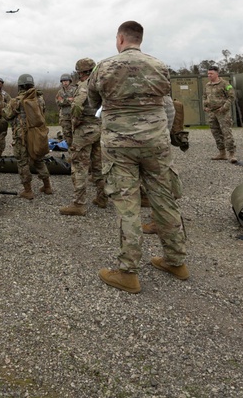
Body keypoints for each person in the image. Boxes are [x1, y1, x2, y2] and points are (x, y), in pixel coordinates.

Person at [87, 21, 188, 293]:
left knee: (127, 205)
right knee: (164, 200)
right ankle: (176, 261)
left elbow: (92, 103)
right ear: (139, 39)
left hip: (120, 146)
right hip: (156, 142)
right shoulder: (160, 66)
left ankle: (128, 272)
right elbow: (167, 101)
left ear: (120, 39)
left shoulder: (104, 67)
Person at [59, 57, 105, 216]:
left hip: (85, 130)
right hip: (99, 128)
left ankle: (79, 204)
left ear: (80, 73)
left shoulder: (85, 85)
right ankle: (102, 197)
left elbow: (77, 105)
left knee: (79, 166)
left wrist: (75, 121)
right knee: (98, 165)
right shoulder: (101, 84)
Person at [2, 73, 52, 200]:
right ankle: (47, 186)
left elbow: (7, 115)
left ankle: (28, 190)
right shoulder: (40, 99)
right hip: (36, 134)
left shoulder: (16, 101)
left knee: (22, 162)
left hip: (21, 137)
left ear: (20, 86)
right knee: (39, 159)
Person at [203, 65, 237, 163]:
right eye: (208, 74)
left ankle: (232, 154)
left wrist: (224, 108)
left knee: (226, 133)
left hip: (223, 112)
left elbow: (231, 97)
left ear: (217, 74)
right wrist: (205, 105)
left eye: (211, 73)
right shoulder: (207, 85)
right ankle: (222, 153)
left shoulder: (225, 84)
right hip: (212, 112)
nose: (209, 75)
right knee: (216, 133)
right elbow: (204, 96)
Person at [55, 73, 77, 147]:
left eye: (66, 81)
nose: (65, 82)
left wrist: (64, 100)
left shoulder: (75, 90)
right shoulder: (60, 92)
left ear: (69, 81)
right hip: (64, 116)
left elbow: (76, 100)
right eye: (63, 81)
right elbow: (58, 102)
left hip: (74, 115)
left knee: (76, 133)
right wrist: (69, 100)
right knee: (66, 133)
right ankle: (69, 149)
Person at [0, 78, 11, 158]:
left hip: (2, 120)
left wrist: (3, 104)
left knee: (1, 138)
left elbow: (10, 105)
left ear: (2, 85)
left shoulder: (5, 95)